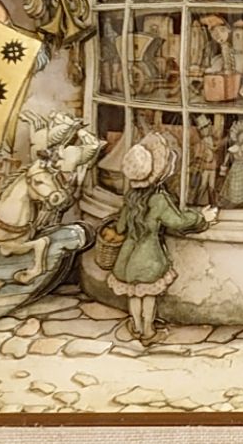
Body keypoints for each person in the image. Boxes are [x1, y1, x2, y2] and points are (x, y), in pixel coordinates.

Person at [79, 130, 217, 341]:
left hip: (127, 257)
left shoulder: (131, 197)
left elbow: (121, 227)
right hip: (149, 257)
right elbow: (178, 221)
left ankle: (136, 326)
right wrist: (201, 217)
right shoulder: (159, 199)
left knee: (134, 294)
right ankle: (148, 330)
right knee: (148, 296)